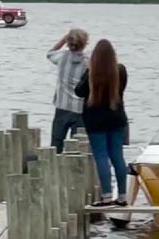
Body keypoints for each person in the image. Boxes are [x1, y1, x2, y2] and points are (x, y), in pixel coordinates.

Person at [74, 39, 128, 207]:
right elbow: (122, 89)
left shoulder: (91, 73)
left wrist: (88, 72)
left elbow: (79, 92)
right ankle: (122, 196)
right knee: (117, 156)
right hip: (116, 118)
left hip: (95, 121)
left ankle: (106, 196)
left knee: (101, 157)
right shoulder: (121, 71)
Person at [46, 28, 90, 153]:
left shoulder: (61, 57)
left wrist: (63, 39)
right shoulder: (88, 61)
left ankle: (54, 166)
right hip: (80, 109)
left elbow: (50, 53)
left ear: (68, 42)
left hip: (62, 107)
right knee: (78, 147)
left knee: (56, 143)